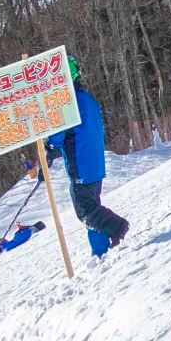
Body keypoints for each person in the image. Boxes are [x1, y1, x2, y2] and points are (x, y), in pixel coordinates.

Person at [57, 56, 131, 257]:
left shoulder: (67, 103)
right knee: (92, 206)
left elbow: (58, 134)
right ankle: (100, 250)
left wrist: (47, 149)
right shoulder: (86, 99)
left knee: (86, 212)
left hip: (81, 167)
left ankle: (117, 226)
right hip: (94, 164)